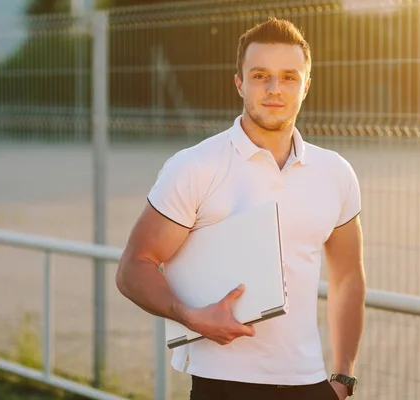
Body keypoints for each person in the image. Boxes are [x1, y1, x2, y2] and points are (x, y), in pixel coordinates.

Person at [116, 17, 366, 400]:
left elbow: (347, 276)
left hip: (311, 384)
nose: (274, 89)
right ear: (239, 83)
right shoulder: (195, 167)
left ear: (306, 87)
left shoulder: (335, 173)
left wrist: (344, 377)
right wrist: (188, 315)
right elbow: (133, 267)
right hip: (223, 384)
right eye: (260, 75)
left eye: (288, 77)